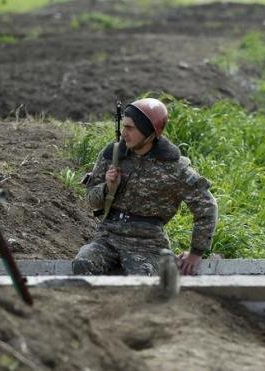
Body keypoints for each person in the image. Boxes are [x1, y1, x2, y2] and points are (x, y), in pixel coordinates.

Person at [72, 98, 218, 276]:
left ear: (149, 132)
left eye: (131, 128)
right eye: (123, 126)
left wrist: (196, 252)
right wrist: (107, 187)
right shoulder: (114, 155)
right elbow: (91, 201)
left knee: (140, 279)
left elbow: (207, 207)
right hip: (108, 237)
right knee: (82, 264)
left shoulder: (174, 167)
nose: (124, 133)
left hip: (148, 245)